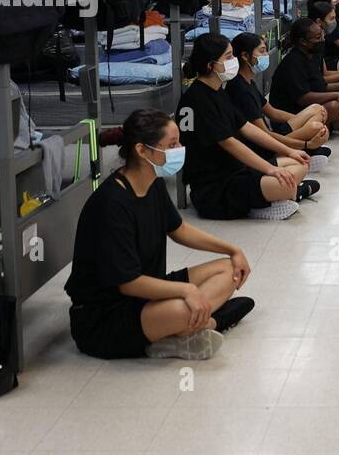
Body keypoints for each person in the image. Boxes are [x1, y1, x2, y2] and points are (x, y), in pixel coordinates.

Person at [65, 109, 256, 361]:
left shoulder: (152, 183)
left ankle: (188, 327)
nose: (179, 149)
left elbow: (180, 230)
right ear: (142, 151)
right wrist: (186, 291)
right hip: (106, 318)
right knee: (182, 306)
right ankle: (201, 323)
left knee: (229, 268)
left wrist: (232, 250)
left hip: (145, 296)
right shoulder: (111, 204)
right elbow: (129, 282)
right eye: (172, 144)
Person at [176, 33, 312, 221]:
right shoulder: (197, 98)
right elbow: (230, 143)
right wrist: (270, 169)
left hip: (236, 171)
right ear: (210, 65)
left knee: (300, 164)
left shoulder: (218, 92)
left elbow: (247, 127)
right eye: (228, 57)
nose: (234, 61)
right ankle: (261, 203)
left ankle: (276, 196)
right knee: (287, 183)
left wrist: (289, 151)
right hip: (215, 188)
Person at [226, 32, 331, 170]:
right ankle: (296, 153)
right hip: (262, 146)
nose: (266, 55)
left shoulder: (248, 82)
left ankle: (303, 150)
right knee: (315, 127)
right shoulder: (239, 89)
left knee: (317, 109)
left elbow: (273, 112)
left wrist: (304, 119)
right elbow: (264, 135)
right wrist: (306, 142)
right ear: (245, 56)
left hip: (270, 133)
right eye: (262, 51)